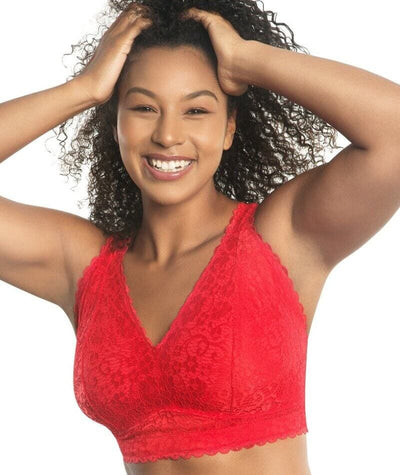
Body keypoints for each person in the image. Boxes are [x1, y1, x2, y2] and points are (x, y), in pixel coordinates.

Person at [1, 1, 399, 474]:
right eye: (144, 108)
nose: (168, 135)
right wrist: (83, 88)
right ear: (115, 124)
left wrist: (246, 59)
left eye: (196, 110)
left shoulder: (281, 238)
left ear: (229, 128)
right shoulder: (84, 265)